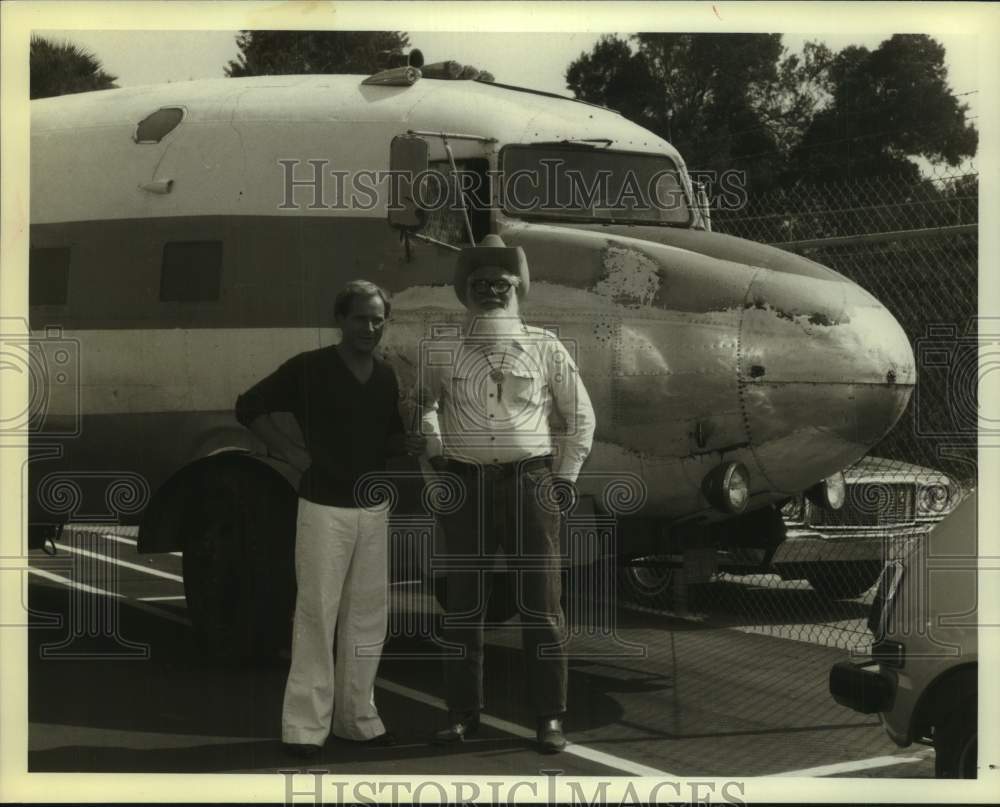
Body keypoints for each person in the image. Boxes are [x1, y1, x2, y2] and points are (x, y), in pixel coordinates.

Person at [419, 234, 596, 753]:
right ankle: (461, 713)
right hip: (467, 484)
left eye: (501, 283)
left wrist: (564, 478)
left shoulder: (545, 346)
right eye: (480, 284)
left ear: (517, 289)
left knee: (541, 606)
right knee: (463, 606)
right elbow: (424, 406)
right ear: (465, 292)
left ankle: (550, 718)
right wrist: (435, 455)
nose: (491, 291)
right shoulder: (445, 350)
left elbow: (581, 416)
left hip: (530, 483)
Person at [234, 280, 424, 760]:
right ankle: (304, 728)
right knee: (317, 615)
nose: (370, 327)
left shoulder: (384, 377)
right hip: (323, 508)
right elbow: (248, 406)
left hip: (372, 510)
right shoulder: (310, 368)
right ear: (340, 320)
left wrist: (412, 445)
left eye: (379, 319)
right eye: (361, 318)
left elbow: (386, 441)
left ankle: (358, 720)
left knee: (366, 618)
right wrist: (295, 456)